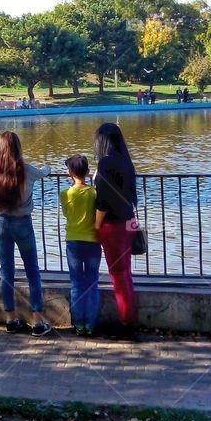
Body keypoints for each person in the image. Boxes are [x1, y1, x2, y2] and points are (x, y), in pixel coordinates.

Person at [0, 131, 52, 337]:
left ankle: (11, 318)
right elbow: (44, 172)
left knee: (7, 272)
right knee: (32, 271)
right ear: (18, 148)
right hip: (23, 224)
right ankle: (38, 321)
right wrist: (47, 167)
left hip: (2, 224)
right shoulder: (28, 170)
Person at [92, 122, 139, 340]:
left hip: (114, 226)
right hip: (129, 222)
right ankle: (128, 320)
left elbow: (102, 201)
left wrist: (97, 226)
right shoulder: (126, 161)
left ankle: (126, 324)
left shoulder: (105, 163)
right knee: (126, 273)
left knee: (117, 276)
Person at [59, 154, 101, 336]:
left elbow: (67, 214)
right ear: (87, 172)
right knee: (92, 283)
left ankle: (79, 325)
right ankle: (90, 325)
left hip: (73, 241)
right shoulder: (94, 193)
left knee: (76, 284)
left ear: (70, 173)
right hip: (92, 241)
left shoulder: (65, 194)